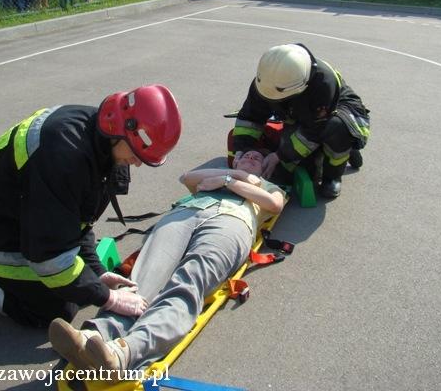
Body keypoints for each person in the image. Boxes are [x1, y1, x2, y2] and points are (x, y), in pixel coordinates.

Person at [0, 85, 182, 328]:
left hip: (16, 219)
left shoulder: (96, 138)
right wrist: (108, 299)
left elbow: (78, 225)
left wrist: (98, 274)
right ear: (122, 130)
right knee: (57, 308)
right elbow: (50, 258)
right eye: (137, 154)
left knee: (81, 287)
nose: (136, 163)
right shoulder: (65, 159)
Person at [48, 149, 285, 376]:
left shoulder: (269, 186)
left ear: (265, 168)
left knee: (188, 282)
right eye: (247, 156)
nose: (252, 158)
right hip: (184, 214)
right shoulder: (219, 173)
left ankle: (124, 351)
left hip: (231, 224)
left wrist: (229, 181)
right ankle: (96, 335)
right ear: (235, 160)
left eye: (258, 158)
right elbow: (187, 178)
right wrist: (233, 174)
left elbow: (274, 204)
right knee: (145, 276)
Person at [232, 44, 370, 199]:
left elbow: (315, 130)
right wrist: (241, 148)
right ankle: (334, 150)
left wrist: (279, 155)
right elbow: (251, 116)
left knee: (337, 130)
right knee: (296, 170)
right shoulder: (268, 79)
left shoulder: (323, 83)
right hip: (298, 114)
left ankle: (333, 175)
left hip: (338, 112)